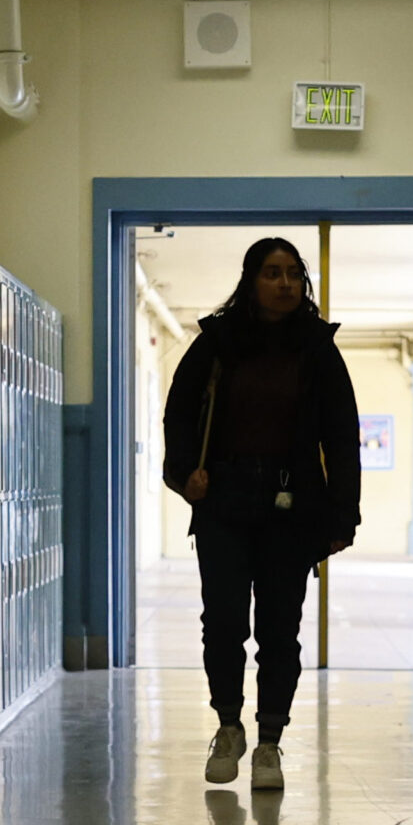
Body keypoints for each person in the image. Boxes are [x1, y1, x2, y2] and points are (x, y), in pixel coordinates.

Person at [161, 237, 361, 793]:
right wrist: (183, 475)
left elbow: (343, 436)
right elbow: (178, 414)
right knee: (223, 620)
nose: (285, 283)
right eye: (273, 273)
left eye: (294, 274)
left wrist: (342, 516)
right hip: (223, 501)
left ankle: (269, 740)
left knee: (280, 628)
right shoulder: (217, 344)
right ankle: (228, 726)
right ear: (251, 280)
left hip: (291, 507)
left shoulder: (318, 350)